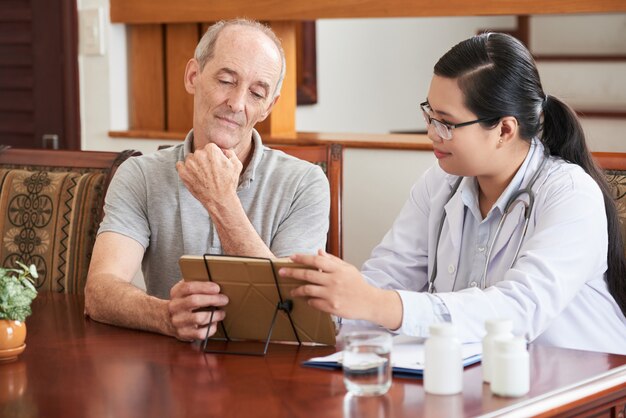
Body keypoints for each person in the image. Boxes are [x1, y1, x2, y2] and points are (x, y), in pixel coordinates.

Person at [280, 32, 626, 354]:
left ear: (505, 129)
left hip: (587, 383)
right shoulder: (440, 183)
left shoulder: (571, 194)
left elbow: (518, 312)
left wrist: (376, 303)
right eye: (429, 114)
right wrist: (333, 302)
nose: (431, 132)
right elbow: (388, 276)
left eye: (446, 122)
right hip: (483, 379)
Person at [84, 19, 330, 341]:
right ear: (193, 76)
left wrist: (221, 200)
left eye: (257, 93)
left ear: (269, 106)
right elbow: (99, 292)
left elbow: (293, 314)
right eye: (227, 81)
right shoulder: (140, 175)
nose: (237, 103)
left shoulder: (306, 183)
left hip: (270, 373)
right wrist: (166, 316)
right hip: (172, 370)